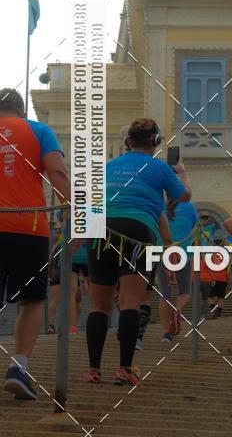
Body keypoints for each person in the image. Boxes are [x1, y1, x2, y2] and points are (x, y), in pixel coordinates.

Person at [84, 118, 191, 386]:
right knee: (131, 302)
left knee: (99, 305)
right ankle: (124, 369)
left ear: (127, 141)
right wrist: (180, 172)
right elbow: (184, 196)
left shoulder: (109, 166)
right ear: (155, 142)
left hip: (101, 230)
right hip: (137, 230)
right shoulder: (159, 167)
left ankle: (93, 370)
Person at [0, 88, 71, 400]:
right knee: (32, 300)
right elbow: (57, 171)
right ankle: (18, 367)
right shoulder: (38, 130)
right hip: (28, 228)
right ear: (21, 110)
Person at [158, 200, 198, 343]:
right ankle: (178, 309)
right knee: (185, 292)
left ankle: (166, 333)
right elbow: (195, 227)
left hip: (163, 252)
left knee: (165, 295)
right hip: (183, 252)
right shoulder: (189, 206)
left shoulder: (159, 205)